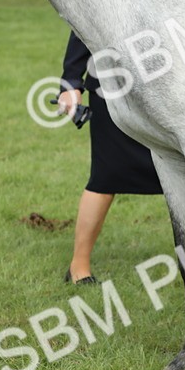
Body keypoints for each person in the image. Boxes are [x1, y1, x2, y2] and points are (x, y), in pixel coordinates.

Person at [57, 31, 163, 284]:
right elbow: (83, 18)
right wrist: (71, 82)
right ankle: (78, 266)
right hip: (112, 84)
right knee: (105, 177)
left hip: (167, 83)